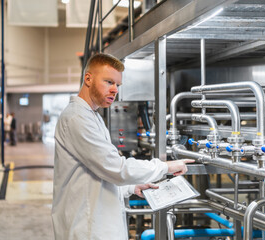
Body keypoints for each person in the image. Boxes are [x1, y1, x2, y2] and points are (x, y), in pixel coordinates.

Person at [52, 53, 194, 240]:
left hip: (95, 223)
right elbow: (116, 168)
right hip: (86, 228)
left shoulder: (91, 115)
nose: (114, 90)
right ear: (88, 79)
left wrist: (130, 187)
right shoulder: (77, 118)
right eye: (108, 82)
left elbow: (97, 172)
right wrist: (165, 167)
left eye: (117, 85)